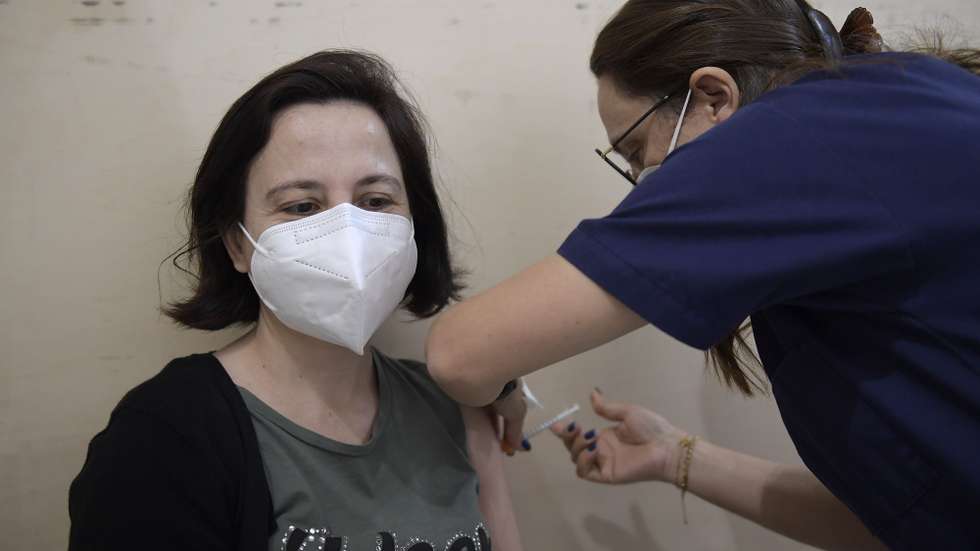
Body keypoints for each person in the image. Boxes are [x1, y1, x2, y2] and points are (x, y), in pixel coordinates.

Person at [425, 1, 980, 549]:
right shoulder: (906, 101)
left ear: (714, 96)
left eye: (638, 149)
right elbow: (898, 520)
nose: (644, 177)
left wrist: (503, 388)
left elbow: (461, 355)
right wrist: (676, 456)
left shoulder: (785, 139)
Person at [69, 50, 522, 551]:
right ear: (238, 244)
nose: (348, 234)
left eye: (375, 202)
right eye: (302, 206)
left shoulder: (455, 408)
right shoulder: (163, 436)